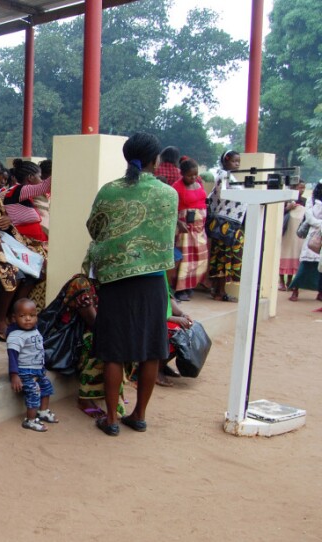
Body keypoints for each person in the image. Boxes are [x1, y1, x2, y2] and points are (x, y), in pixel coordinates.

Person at [86, 132, 178, 436]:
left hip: (115, 279)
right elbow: (168, 234)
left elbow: (94, 227)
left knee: (114, 350)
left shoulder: (109, 191)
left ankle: (111, 419)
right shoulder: (168, 194)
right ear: (156, 160)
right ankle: (139, 415)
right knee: (151, 349)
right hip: (153, 281)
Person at [0, 156, 45, 338]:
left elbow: (4, 217)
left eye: (0, 181)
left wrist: (7, 220)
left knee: (34, 271)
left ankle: (14, 314)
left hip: (4, 241)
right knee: (14, 274)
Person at [7, 298, 57, 432]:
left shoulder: (34, 330)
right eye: (23, 316)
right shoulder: (16, 336)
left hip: (38, 369)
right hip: (25, 371)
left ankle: (43, 411)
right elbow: (12, 357)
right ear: (14, 318)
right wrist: (14, 375)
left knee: (46, 387)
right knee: (34, 392)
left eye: (32, 315)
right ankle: (30, 420)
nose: (28, 319)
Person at [207, 150, 244, 302]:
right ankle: (219, 291)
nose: (237, 164)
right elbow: (222, 194)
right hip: (225, 225)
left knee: (222, 257)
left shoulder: (228, 176)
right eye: (234, 161)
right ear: (226, 161)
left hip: (228, 223)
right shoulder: (223, 175)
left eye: (238, 161)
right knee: (224, 257)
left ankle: (218, 290)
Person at [172, 157, 208, 301]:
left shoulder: (199, 183)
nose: (193, 177)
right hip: (185, 228)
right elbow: (171, 207)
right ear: (182, 173)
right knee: (185, 259)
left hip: (199, 228)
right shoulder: (177, 187)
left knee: (200, 257)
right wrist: (178, 223)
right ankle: (180, 289)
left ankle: (191, 285)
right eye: (190, 175)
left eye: (195, 174)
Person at [1, 159, 51, 243]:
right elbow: (44, 187)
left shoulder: (18, 191)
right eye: (40, 177)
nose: (42, 180)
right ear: (30, 177)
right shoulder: (21, 190)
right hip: (27, 243)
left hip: (33, 241)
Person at [287, 183, 322, 303]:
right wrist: (321, 224)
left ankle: (320, 292)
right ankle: (295, 290)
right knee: (305, 265)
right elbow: (309, 218)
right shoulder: (311, 201)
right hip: (313, 236)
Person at [280, 180, 307, 290]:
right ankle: (281, 282)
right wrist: (287, 208)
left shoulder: (304, 201)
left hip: (298, 235)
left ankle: (290, 281)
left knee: (295, 254)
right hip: (286, 233)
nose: (302, 190)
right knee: (283, 253)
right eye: (300, 187)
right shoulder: (285, 199)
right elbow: (277, 214)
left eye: (303, 188)